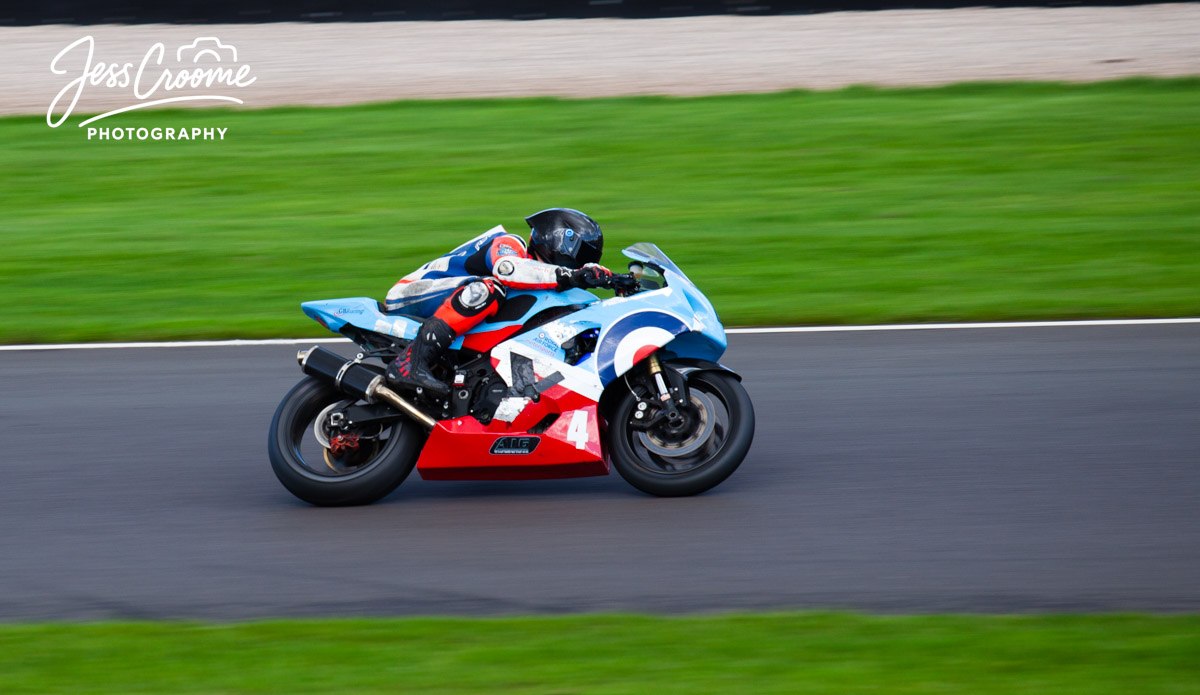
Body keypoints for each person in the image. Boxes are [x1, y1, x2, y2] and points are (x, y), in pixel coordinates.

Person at [383, 208, 613, 397]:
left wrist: (613, 281)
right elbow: (507, 270)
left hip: (448, 305)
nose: (581, 264)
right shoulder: (511, 244)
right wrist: (570, 276)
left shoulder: (544, 279)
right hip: (414, 292)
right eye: (582, 256)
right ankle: (410, 363)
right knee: (489, 289)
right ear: (560, 240)